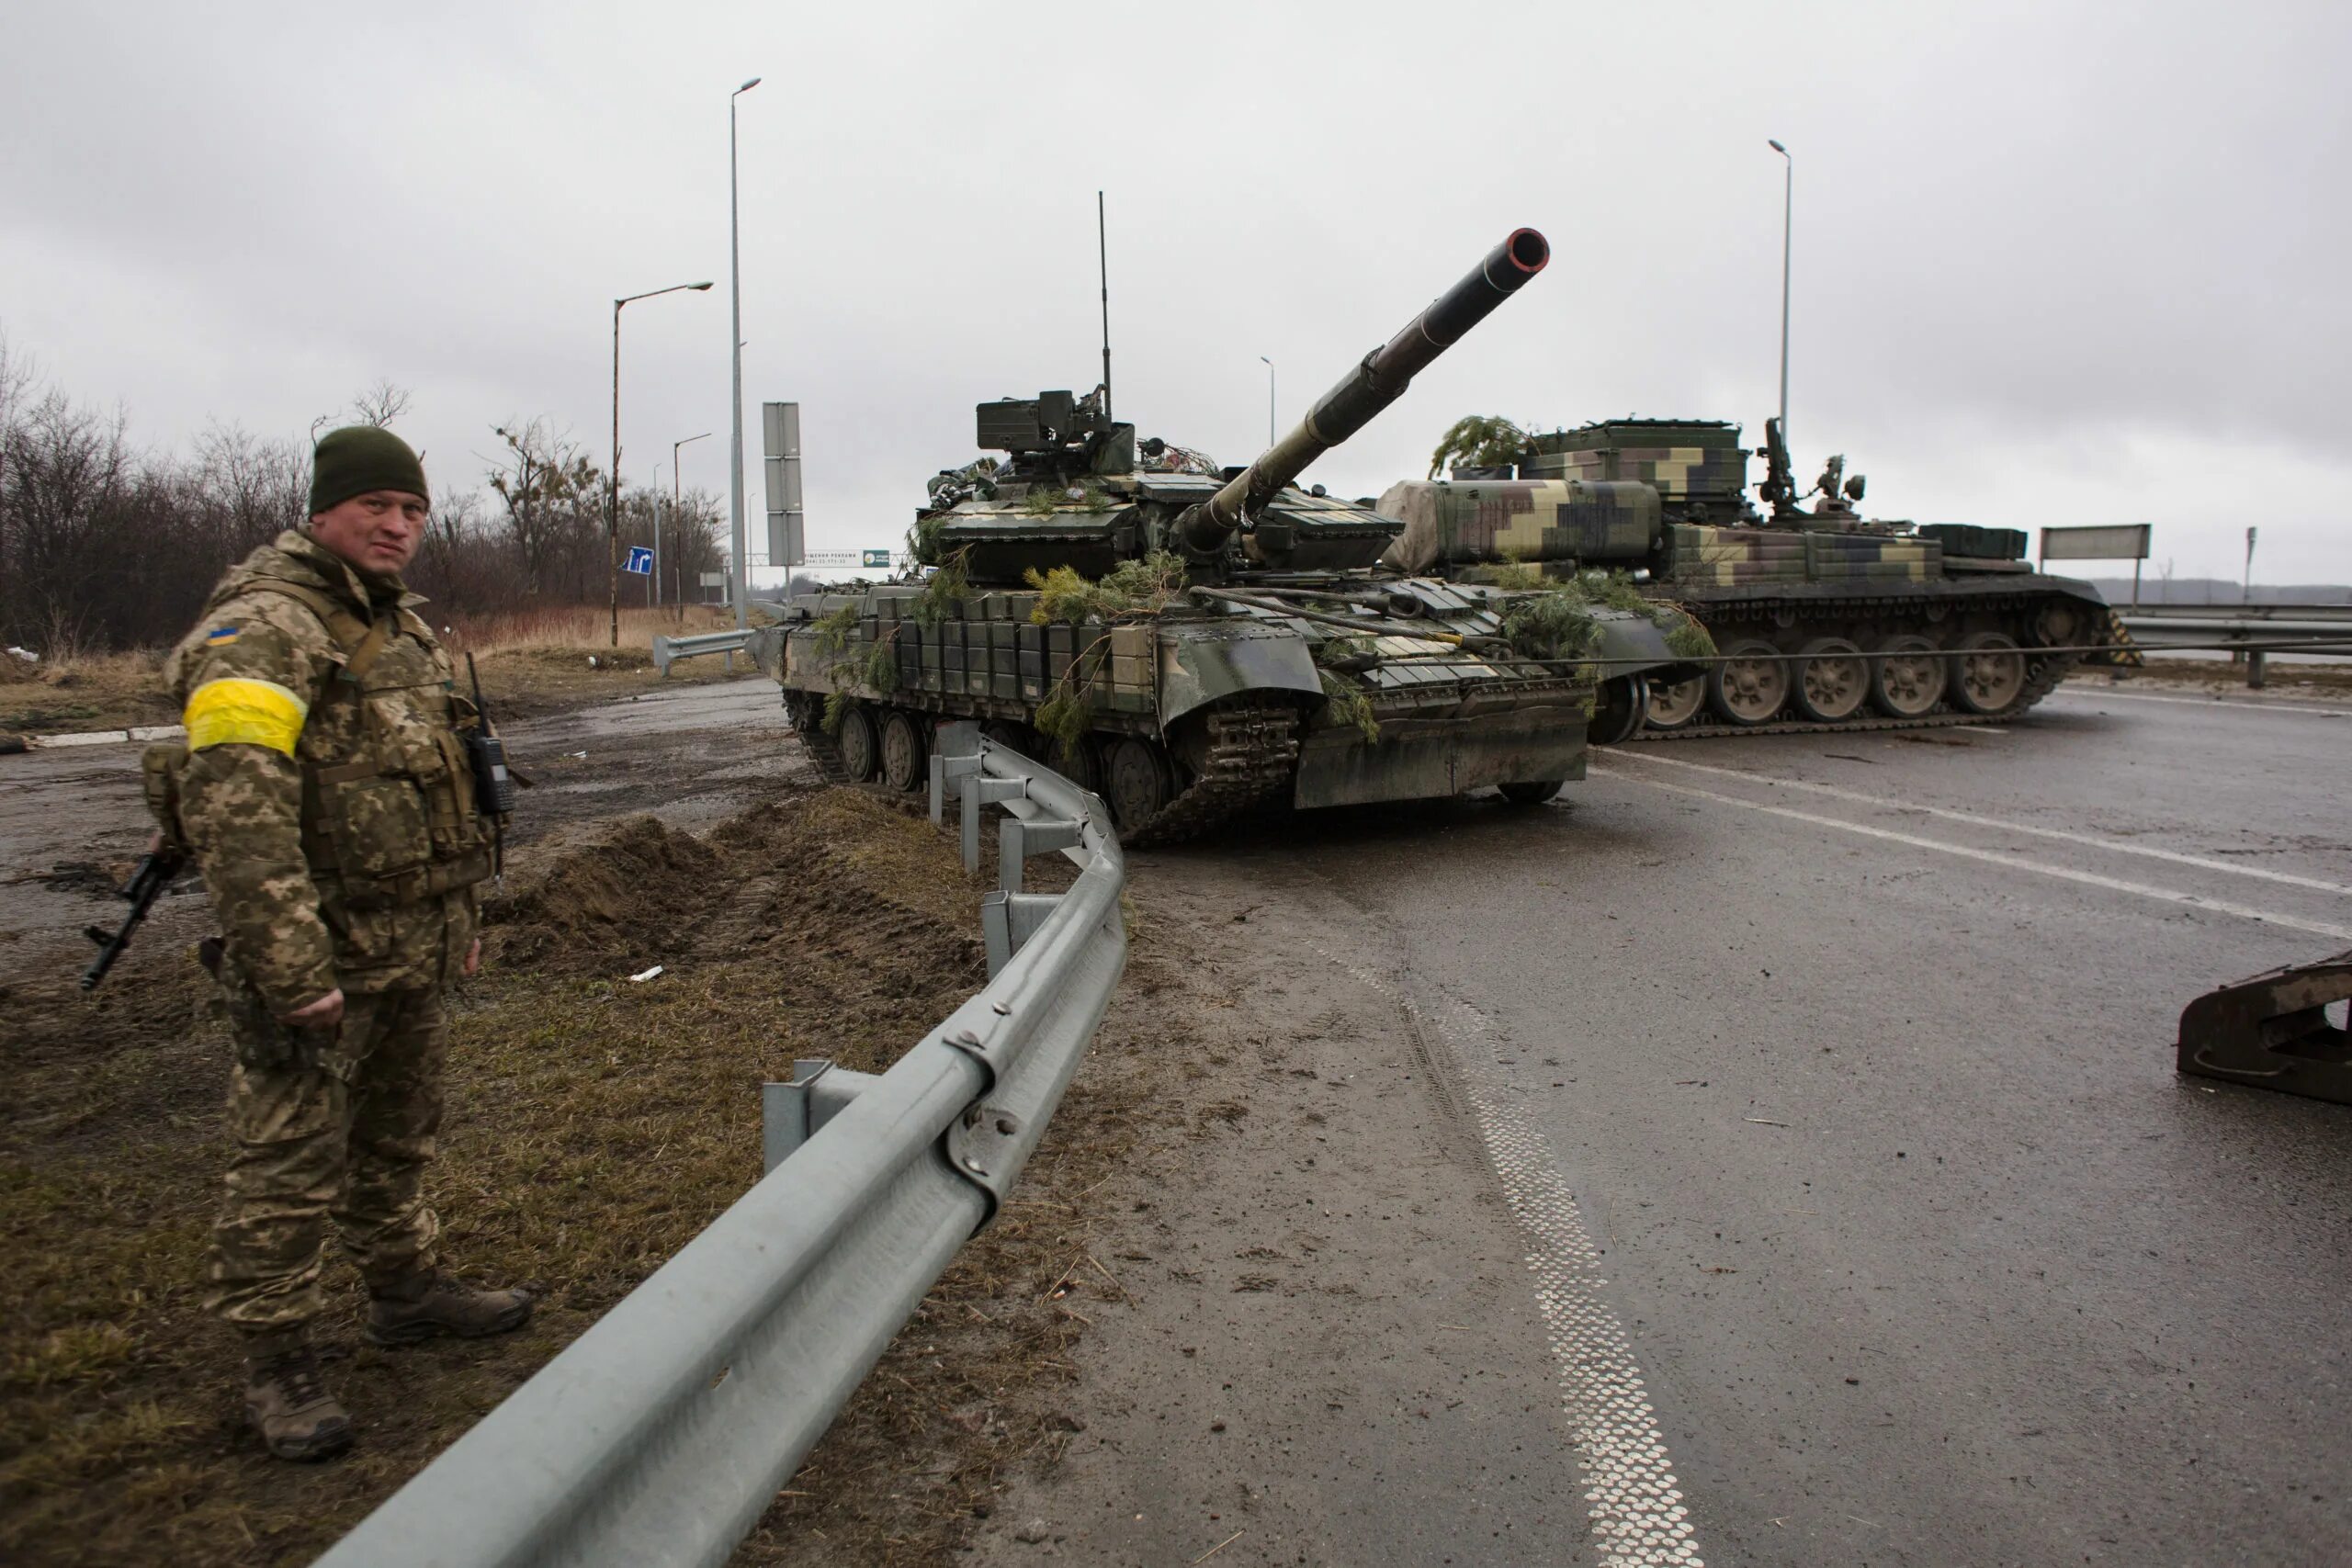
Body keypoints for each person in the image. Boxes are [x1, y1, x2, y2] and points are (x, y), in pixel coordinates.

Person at [157, 425, 531, 1461]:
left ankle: (403, 1289)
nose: (397, 526)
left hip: (409, 939)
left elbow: (444, 782)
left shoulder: (397, 629)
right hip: (322, 953)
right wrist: (287, 965)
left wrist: (460, 921)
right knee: (289, 1155)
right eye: (377, 506)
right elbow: (240, 811)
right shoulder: (265, 628)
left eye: (412, 511)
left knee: (398, 1128)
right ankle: (275, 1359)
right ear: (324, 510)